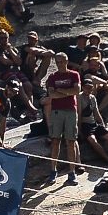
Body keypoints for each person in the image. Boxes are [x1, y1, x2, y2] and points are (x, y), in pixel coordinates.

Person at [41, 53, 84, 181]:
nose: (59, 64)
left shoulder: (74, 75)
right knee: (55, 140)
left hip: (71, 110)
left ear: (66, 61)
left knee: (71, 141)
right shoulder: (53, 77)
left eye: (61, 61)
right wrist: (67, 92)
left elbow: (76, 91)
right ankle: (53, 170)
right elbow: (52, 94)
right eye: (57, 62)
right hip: (56, 111)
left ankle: (72, 171)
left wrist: (61, 91)